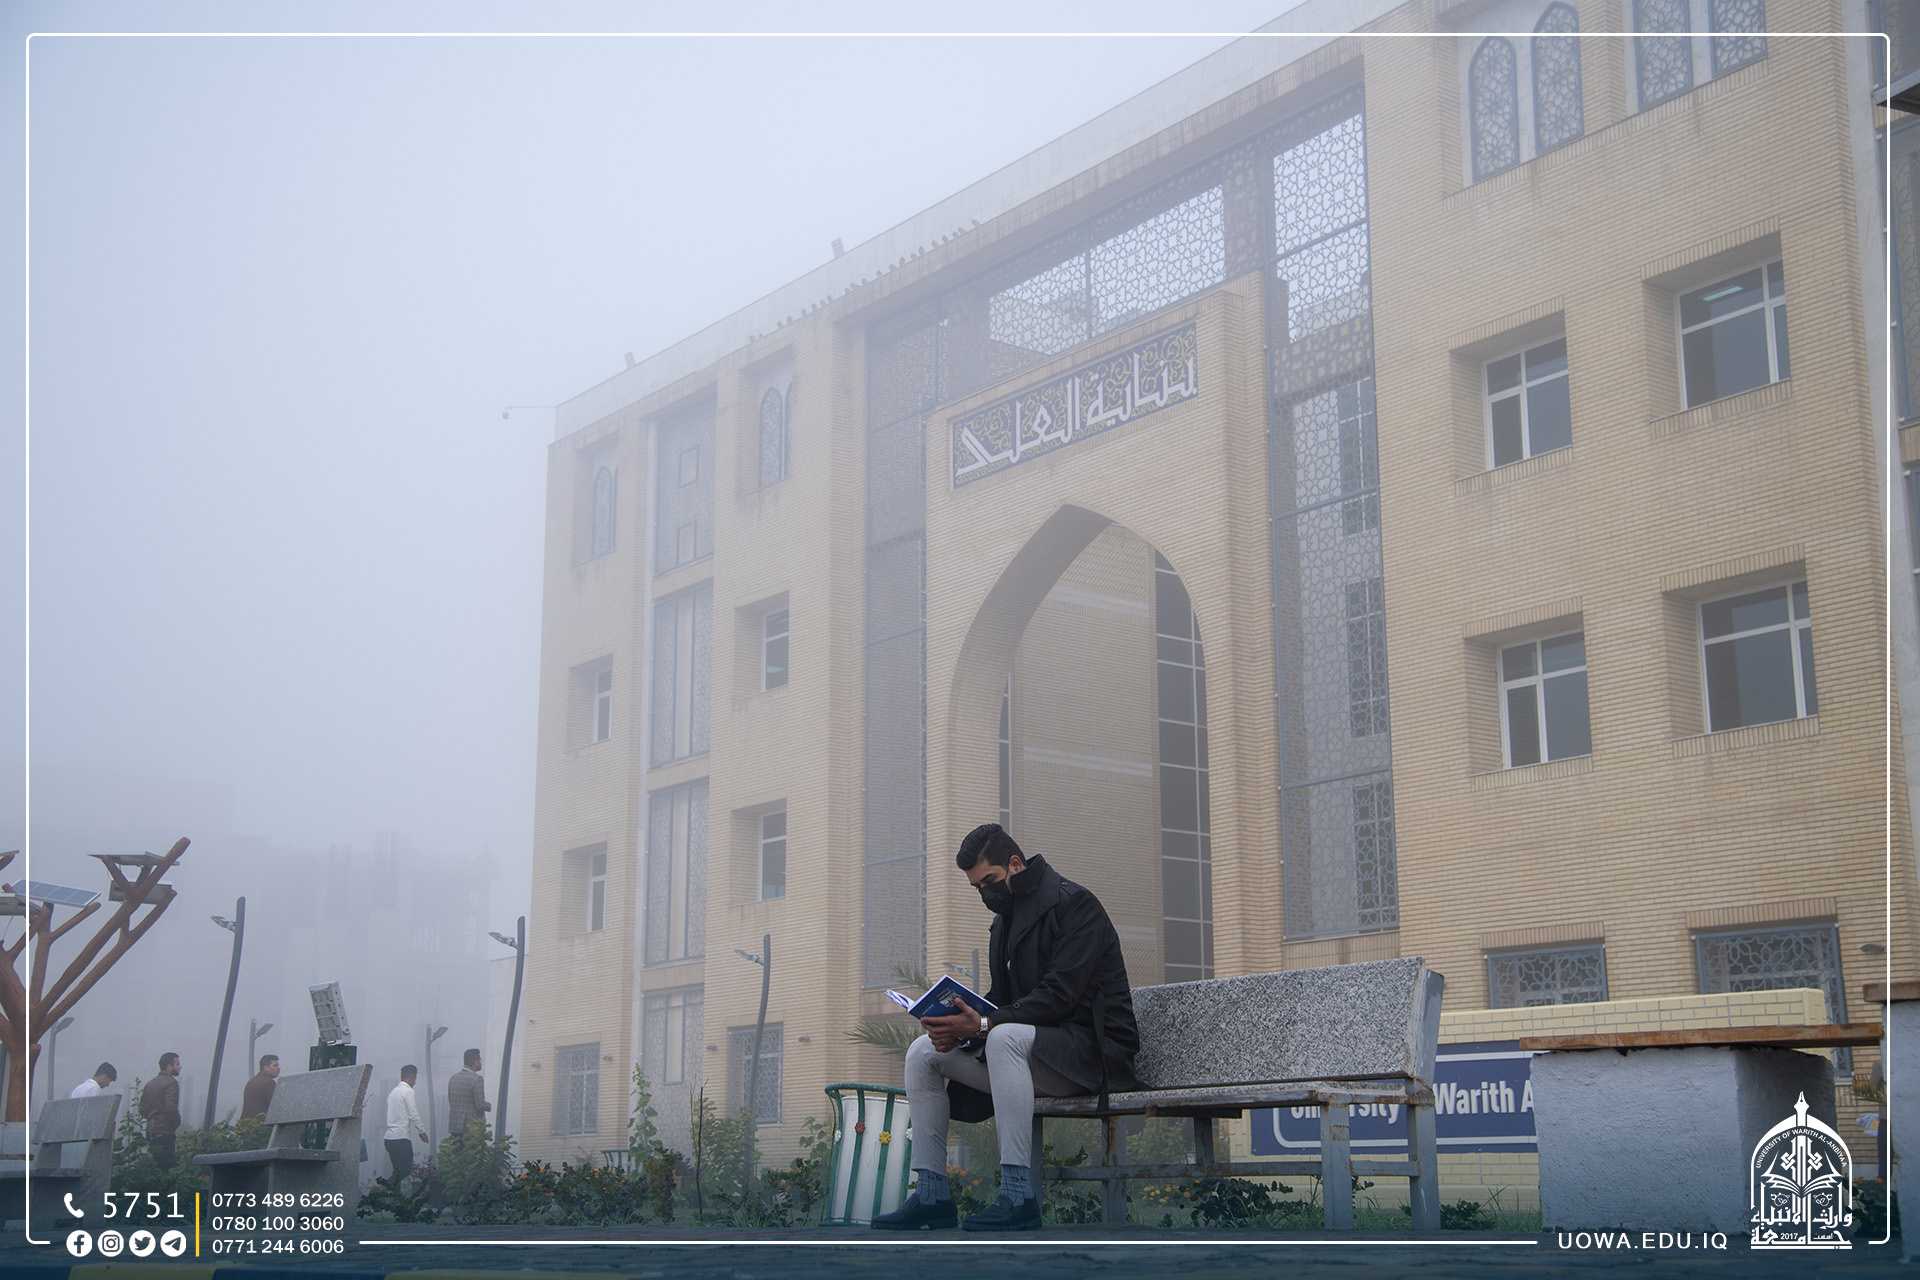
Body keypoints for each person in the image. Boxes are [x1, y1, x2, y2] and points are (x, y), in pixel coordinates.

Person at [872, 823, 1141, 1234]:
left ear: (1015, 864)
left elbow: (1060, 995)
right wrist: (958, 1024)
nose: (986, 893)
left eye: (990, 881)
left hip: (1092, 1055)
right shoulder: (1004, 923)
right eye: (977, 887)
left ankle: (1018, 1196)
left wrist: (983, 1024)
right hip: (1029, 1056)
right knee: (923, 1052)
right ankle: (931, 1195)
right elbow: (1002, 999)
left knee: (1002, 1036)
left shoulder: (1075, 905)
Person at [139, 1053, 182, 1169]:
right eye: (177, 1064)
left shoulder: (150, 1083)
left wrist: (152, 1118)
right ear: (169, 1067)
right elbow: (171, 1107)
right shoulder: (171, 1083)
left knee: (155, 1164)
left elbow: (142, 1108)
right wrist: (176, 1121)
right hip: (165, 1130)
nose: (180, 1067)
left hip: (151, 1130)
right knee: (167, 1166)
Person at [383, 1065, 427, 1180]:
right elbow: (413, 1113)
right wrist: (422, 1131)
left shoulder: (393, 1092)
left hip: (389, 1138)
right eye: (415, 1078)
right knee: (406, 1170)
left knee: (397, 1171)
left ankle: (387, 1189)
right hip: (401, 1138)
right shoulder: (408, 1091)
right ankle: (380, 1187)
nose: (415, 1082)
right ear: (411, 1076)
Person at [446, 1048, 490, 1138]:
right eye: (480, 1060)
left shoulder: (453, 1078)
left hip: (454, 1126)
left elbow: (451, 1101)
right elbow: (480, 1105)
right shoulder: (476, 1079)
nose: (480, 1062)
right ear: (476, 1062)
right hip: (471, 1128)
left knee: (457, 1147)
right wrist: (489, 1106)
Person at [241, 1054, 280, 1121]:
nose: (279, 1068)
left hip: (247, 1124)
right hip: (261, 1124)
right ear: (266, 1067)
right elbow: (276, 1107)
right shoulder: (269, 1083)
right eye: (275, 1065)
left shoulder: (251, 1081)